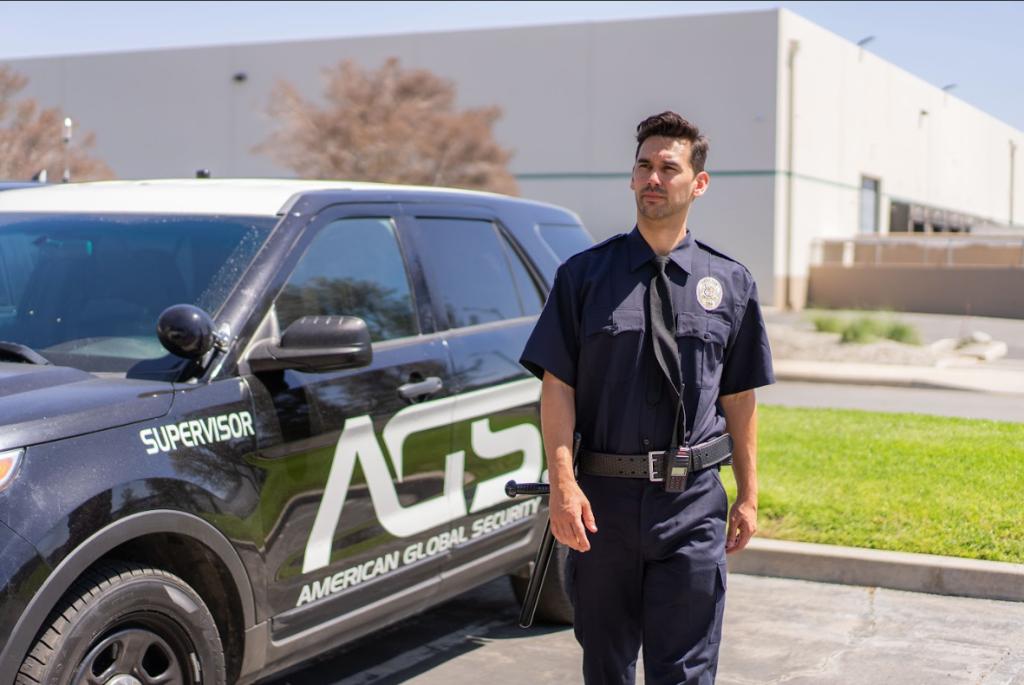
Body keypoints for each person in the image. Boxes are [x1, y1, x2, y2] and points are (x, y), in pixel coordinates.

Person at [519, 111, 774, 684]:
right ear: (631, 179)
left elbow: (739, 395)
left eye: (668, 167)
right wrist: (563, 486)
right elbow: (556, 388)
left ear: (698, 183)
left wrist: (749, 494)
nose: (653, 178)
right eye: (643, 167)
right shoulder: (583, 277)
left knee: (684, 671)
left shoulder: (730, 283)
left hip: (692, 505)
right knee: (606, 667)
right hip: (602, 504)